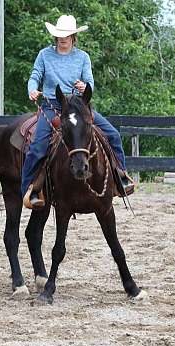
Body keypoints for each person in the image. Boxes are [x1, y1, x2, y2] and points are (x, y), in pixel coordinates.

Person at [22, 14, 134, 209]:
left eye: (66, 35)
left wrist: (84, 86)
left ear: (73, 36)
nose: (62, 38)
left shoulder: (83, 57)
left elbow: (90, 82)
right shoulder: (44, 55)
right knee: (37, 146)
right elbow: (35, 75)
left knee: (113, 135)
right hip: (54, 105)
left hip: (78, 106)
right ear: (55, 36)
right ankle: (29, 190)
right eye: (59, 35)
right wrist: (32, 89)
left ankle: (120, 178)